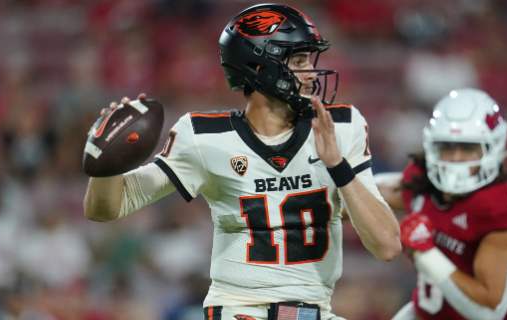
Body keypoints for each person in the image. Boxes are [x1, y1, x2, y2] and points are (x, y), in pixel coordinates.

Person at [83, 4, 401, 320]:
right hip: (241, 311)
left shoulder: (342, 127)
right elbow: (107, 208)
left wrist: (338, 166)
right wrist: (107, 162)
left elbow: (387, 246)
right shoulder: (205, 137)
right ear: (261, 68)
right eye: (300, 60)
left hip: (315, 312)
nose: (311, 73)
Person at [377, 88, 507, 320]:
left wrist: (426, 254)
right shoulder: (422, 183)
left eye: (468, 148)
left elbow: (487, 314)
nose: (456, 158)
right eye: (447, 147)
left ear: (493, 148)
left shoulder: (501, 207)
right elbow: (380, 190)